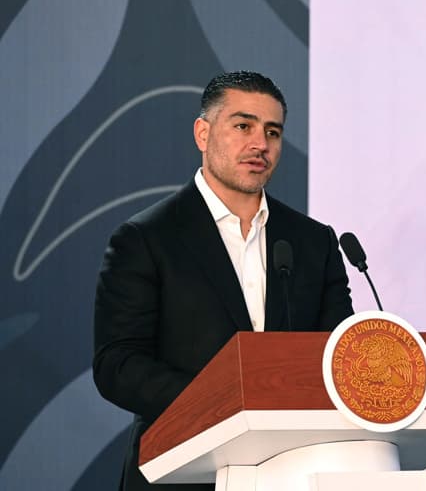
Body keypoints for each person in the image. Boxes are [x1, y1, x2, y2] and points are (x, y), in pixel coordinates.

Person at [93, 71, 354, 490]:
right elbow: (117, 365)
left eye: (272, 132)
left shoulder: (313, 241)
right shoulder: (146, 238)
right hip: (180, 470)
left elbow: (337, 354)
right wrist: (225, 401)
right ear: (203, 133)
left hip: (294, 471)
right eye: (243, 126)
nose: (260, 144)